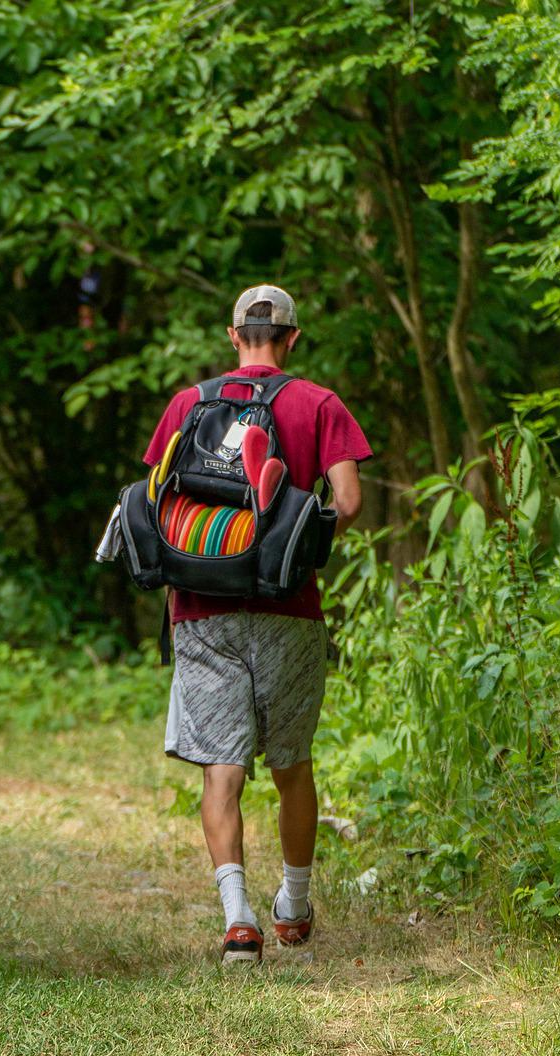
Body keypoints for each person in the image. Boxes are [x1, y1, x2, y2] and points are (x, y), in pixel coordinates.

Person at [140, 284, 371, 965]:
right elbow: (349, 501)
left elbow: (157, 501)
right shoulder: (318, 403)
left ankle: (237, 916)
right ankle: (294, 905)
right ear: (293, 338)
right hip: (289, 608)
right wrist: (299, 532)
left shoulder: (190, 403)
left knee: (223, 769)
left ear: (233, 335)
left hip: (201, 608)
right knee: (292, 764)